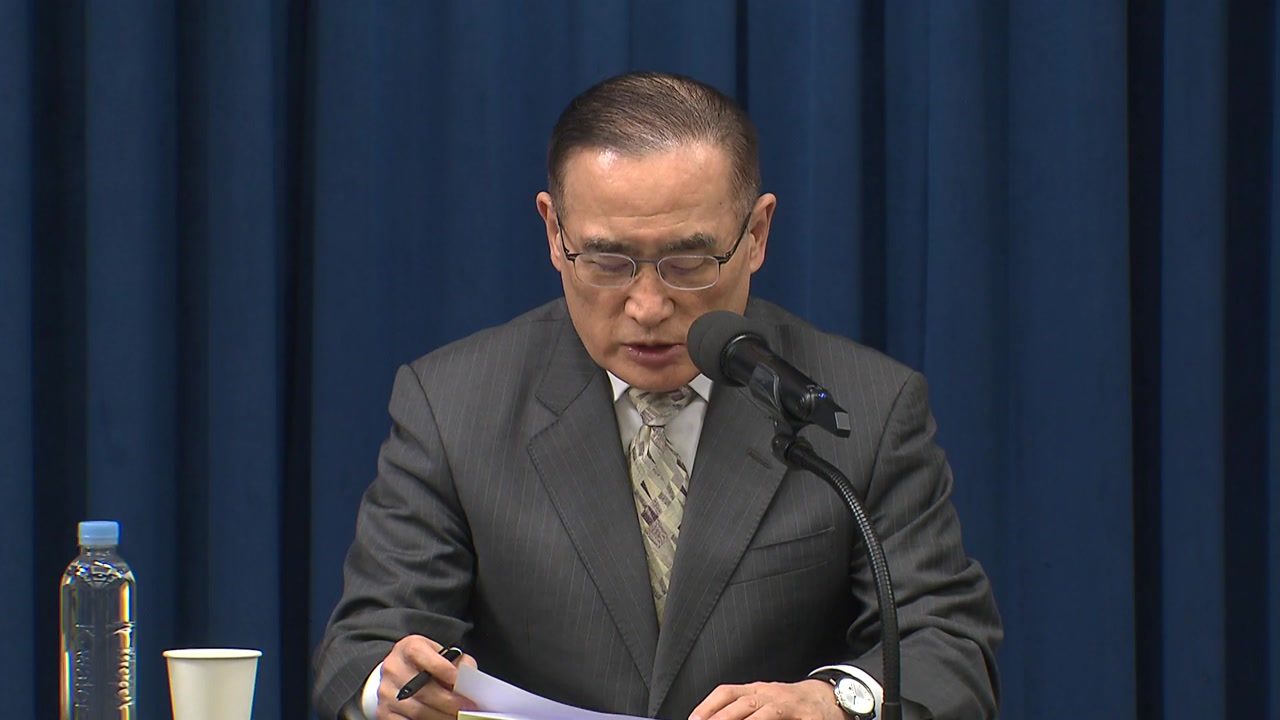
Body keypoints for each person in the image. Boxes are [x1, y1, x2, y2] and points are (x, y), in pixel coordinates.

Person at [312, 71, 1001, 720]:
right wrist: (391, 687)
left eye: (688, 262)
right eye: (607, 261)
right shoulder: (453, 404)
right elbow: (364, 647)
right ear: (554, 232)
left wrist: (833, 702)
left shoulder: (866, 407)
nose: (647, 306)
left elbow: (947, 645)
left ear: (756, 235)